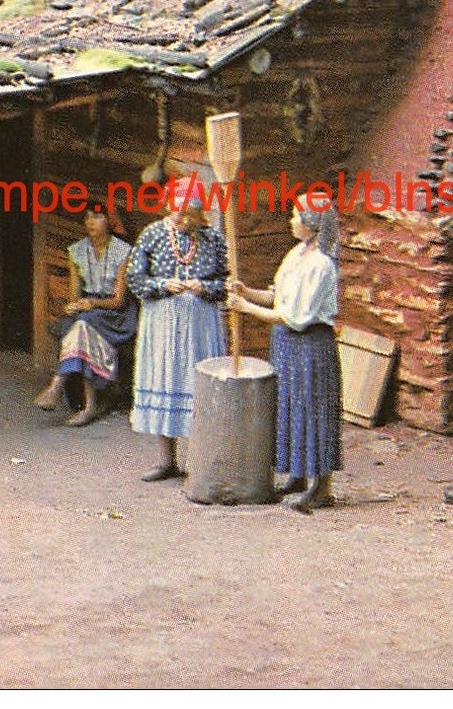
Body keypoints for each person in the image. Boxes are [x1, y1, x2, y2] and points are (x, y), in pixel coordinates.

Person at [228, 199, 342, 513]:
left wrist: (246, 309)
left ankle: (322, 487)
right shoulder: (297, 254)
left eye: (295, 215)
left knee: (312, 410)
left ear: (312, 222)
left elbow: (295, 317)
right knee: (290, 407)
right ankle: (297, 476)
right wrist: (246, 291)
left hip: (309, 344)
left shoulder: (321, 264)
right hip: (287, 345)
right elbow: (276, 296)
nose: (291, 220)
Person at [126, 177, 228, 481]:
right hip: (162, 321)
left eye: (190, 214)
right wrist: (162, 284)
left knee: (197, 385)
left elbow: (226, 284)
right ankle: (166, 460)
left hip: (201, 323)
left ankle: (199, 460)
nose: (184, 220)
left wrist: (205, 286)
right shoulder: (153, 235)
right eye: (178, 213)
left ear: (200, 214)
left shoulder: (213, 239)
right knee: (166, 379)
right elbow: (135, 279)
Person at [33, 203, 137, 427]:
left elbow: (119, 300)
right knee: (79, 324)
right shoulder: (77, 251)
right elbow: (74, 295)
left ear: (109, 222)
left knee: (83, 325)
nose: (90, 222)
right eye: (87, 217)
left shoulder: (122, 251)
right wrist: (73, 306)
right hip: (88, 312)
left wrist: (91, 304)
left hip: (115, 315)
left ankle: (57, 386)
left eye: (97, 217)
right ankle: (88, 405)